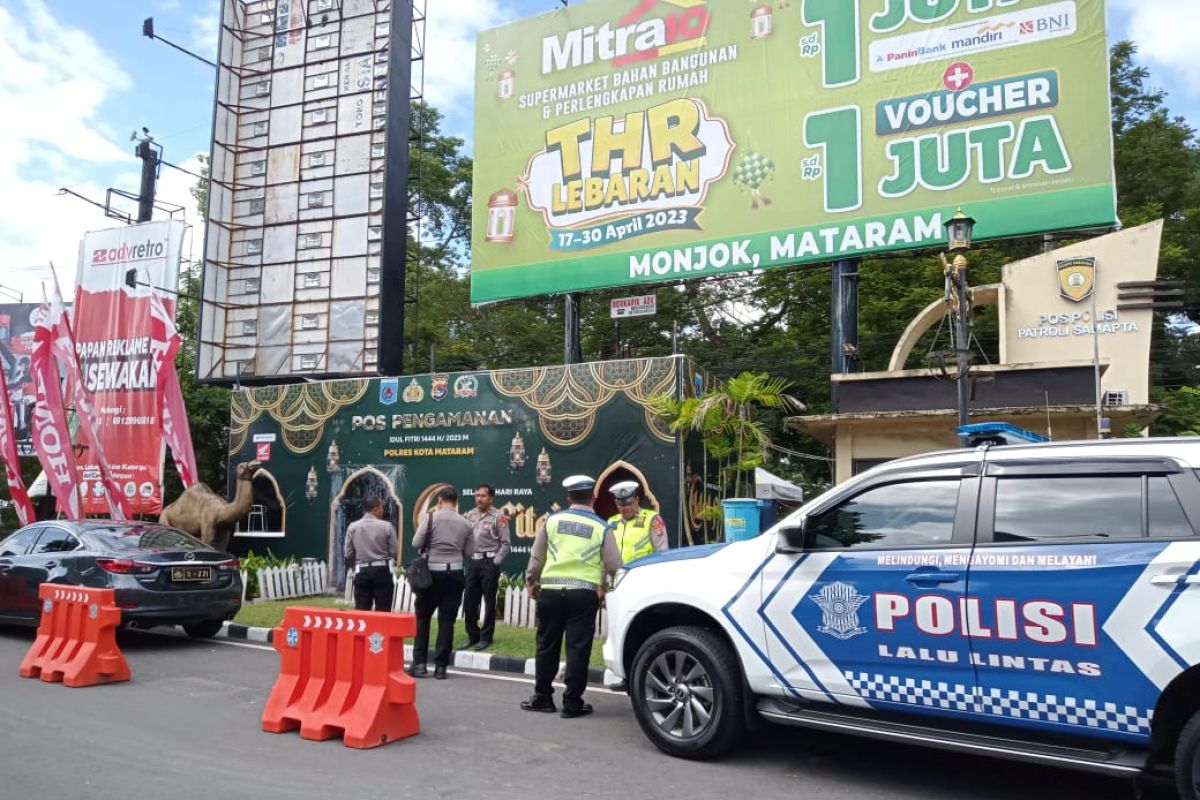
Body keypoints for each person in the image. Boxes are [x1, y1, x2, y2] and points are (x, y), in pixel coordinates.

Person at [522, 475, 622, 718]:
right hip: (583, 594)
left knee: (546, 645)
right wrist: (603, 587)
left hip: (552, 592)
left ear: (569, 498)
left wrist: (531, 581)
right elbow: (614, 565)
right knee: (578, 649)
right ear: (594, 499)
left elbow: (537, 557)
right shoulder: (601, 527)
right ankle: (572, 703)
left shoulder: (552, 521)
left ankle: (543, 698)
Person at [410, 486, 474, 679]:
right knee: (447, 621)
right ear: (456, 502)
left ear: (439, 501)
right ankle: (441, 667)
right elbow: (469, 553)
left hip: (431, 575)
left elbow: (415, 543)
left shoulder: (431, 518)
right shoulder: (465, 523)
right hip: (454, 574)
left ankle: (420, 664)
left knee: (423, 618)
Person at [461, 483, 511, 651]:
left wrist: (495, 561)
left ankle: (486, 637)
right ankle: (472, 636)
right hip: (473, 563)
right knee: (469, 601)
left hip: (489, 562)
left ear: (490, 498)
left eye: (482, 496)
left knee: (489, 602)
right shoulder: (470, 515)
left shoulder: (499, 516)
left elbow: (506, 544)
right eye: (477, 495)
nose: (479, 498)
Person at [344, 496, 398, 612]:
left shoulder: (352, 527)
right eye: (381, 508)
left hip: (362, 571)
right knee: (383, 612)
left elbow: (348, 553)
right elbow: (394, 552)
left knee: (362, 612)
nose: (383, 511)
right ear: (375, 509)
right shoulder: (387, 526)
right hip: (382, 571)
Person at [606, 480, 669, 564]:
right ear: (616, 503)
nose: (626, 508)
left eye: (630, 503)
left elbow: (662, 552)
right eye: (622, 505)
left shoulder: (652, 519)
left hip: (641, 573)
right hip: (618, 575)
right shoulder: (612, 522)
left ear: (637, 500)